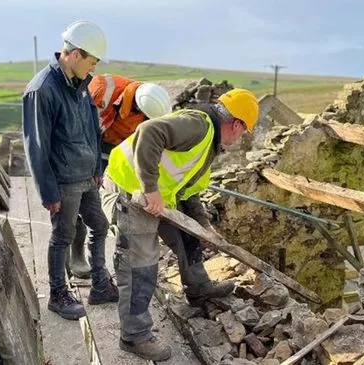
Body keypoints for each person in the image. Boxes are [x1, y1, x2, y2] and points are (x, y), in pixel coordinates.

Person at [104, 88, 259, 361]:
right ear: (237, 124)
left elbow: (189, 190)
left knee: (188, 238)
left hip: (158, 197)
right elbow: (150, 132)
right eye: (244, 132)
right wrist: (150, 188)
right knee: (140, 265)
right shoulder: (198, 125)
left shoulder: (209, 142)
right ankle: (134, 336)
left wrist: (203, 226)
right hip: (130, 190)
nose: (240, 138)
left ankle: (198, 289)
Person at [22, 20, 118, 321]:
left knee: (99, 226)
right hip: (63, 180)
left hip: (87, 176)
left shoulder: (81, 86)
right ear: (75, 54)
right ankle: (57, 294)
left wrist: (98, 166)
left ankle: (100, 284)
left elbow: (92, 127)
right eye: (91, 62)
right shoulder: (42, 89)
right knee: (62, 235)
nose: (93, 69)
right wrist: (48, 192)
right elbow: (36, 146)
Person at [65, 75, 172, 279]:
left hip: (117, 150)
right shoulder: (101, 91)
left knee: (108, 203)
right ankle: (76, 255)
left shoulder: (153, 102)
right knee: (83, 199)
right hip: (85, 144)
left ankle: (112, 260)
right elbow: (81, 131)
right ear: (138, 109)